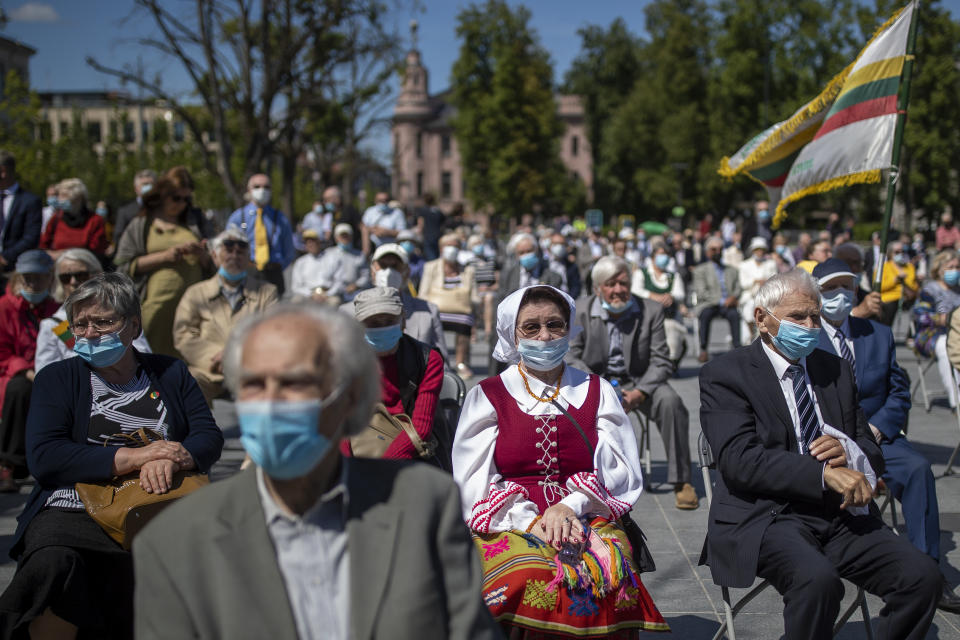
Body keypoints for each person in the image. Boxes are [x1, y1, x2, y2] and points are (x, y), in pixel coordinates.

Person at [133, 302, 499, 639]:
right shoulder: (175, 542)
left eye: (295, 383)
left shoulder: (425, 507)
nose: (272, 404)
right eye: (254, 385)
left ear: (351, 397)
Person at [699, 268, 941, 640]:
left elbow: (871, 450)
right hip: (766, 516)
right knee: (818, 581)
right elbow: (738, 461)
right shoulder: (726, 373)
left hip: (838, 513)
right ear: (763, 318)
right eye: (797, 316)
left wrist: (848, 452)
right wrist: (822, 474)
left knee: (922, 577)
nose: (810, 325)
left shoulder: (835, 369)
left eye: (815, 316)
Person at [0, 272, 223, 639]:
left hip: (161, 500)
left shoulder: (170, 371)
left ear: (133, 325)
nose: (89, 333)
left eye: (103, 322)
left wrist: (172, 457)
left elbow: (207, 436)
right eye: (80, 324)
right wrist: (137, 456)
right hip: (75, 505)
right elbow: (46, 457)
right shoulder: (58, 378)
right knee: (55, 563)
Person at [452, 284, 668, 637]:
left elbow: (620, 470)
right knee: (525, 575)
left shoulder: (596, 389)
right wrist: (526, 521)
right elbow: (472, 479)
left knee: (608, 571)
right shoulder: (489, 395)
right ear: (512, 333)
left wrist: (570, 506)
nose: (545, 335)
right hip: (509, 518)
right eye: (532, 327)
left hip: (586, 510)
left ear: (569, 329)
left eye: (555, 325)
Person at [812, 258, 960, 613]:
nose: (840, 295)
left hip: (878, 435)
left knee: (918, 469)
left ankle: (929, 572)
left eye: (847, 287)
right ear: (816, 294)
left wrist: (878, 428)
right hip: (830, 441)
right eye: (831, 288)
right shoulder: (808, 336)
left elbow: (898, 391)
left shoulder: (875, 333)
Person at [568, 256, 698, 510]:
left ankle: (681, 480)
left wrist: (640, 392)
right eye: (610, 284)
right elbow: (571, 356)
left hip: (639, 381)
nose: (618, 290)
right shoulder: (580, 310)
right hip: (595, 383)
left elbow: (661, 360)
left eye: (623, 283)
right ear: (597, 288)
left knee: (671, 402)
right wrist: (601, 388)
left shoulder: (651, 310)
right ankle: (579, 478)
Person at [173, 228, 279, 404]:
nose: (235, 255)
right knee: (187, 383)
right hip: (209, 368)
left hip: (252, 368)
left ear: (248, 258)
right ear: (214, 256)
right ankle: (201, 431)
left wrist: (233, 355)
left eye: (241, 251)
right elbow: (183, 334)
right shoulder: (195, 293)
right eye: (228, 250)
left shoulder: (266, 292)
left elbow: (272, 333)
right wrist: (215, 355)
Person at [115, 177, 211, 358]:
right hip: (157, 306)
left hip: (194, 307)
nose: (182, 204)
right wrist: (164, 257)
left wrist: (201, 254)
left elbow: (213, 264)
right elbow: (123, 266)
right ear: (163, 196)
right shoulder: (141, 225)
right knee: (152, 358)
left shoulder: (194, 222)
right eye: (176, 198)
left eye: (187, 199)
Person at [350, 287, 443, 459]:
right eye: (374, 323)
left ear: (403, 321)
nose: (382, 328)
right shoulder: (346, 358)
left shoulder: (427, 359)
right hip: (360, 442)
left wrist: (385, 468)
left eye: (389, 321)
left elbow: (421, 427)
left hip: (410, 444)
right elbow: (339, 424)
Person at [35, 249, 152, 373]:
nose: (73, 282)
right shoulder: (51, 325)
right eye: (65, 278)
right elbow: (45, 373)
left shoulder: (119, 313)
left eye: (81, 275)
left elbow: (142, 353)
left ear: (98, 275)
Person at [0, 250, 59, 492]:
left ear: (50, 278)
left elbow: (69, 344)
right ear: (17, 279)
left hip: (49, 371)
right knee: (20, 389)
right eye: (27, 278)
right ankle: (8, 464)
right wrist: (27, 371)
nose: (33, 283)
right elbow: (2, 351)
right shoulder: (5, 307)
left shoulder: (57, 311)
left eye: (39, 277)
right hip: (14, 374)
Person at [351, 242, 450, 364]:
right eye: (383, 265)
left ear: (407, 272)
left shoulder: (428, 310)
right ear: (372, 270)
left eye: (395, 266)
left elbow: (442, 361)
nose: (388, 271)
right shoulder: (348, 311)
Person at [226, 173, 295, 294]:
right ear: (249, 190)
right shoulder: (238, 217)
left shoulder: (280, 218)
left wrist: (275, 266)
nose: (262, 190)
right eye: (257, 186)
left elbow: (289, 251)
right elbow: (228, 248)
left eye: (266, 187)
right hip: (248, 271)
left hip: (273, 272)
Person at [420, 233, 476, 378]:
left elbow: (474, 296)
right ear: (441, 249)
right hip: (436, 308)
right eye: (448, 246)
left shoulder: (468, 270)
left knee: (465, 321)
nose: (451, 249)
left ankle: (460, 363)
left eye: (455, 246)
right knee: (431, 322)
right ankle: (435, 361)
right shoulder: (431, 267)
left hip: (461, 310)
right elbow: (423, 292)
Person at [911, 250, 960, 409]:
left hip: (956, 333)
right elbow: (920, 315)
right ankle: (956, 400)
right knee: (947, 346)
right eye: (950, 267)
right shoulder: (929, 290)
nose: (955, 270)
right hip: (931, 335)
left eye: (958, 267)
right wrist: (943, 319)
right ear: (939, 269)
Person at [633, 238, 688, 363]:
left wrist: (671, 296)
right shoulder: (642, 273)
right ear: (653, 257)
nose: (663, 257)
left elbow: (680, 293)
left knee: (673, 336)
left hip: (669, 316)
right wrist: (653, 296)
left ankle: (670, 361)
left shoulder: (673, 276)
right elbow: (636, 290)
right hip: (646, 315)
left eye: (665, 255)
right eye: (660, 254)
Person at [693, 237, 742, 363]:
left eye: (720, 249)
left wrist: (733, 298)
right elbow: (702, 292)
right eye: (714, 249)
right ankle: (703, 349)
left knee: (734, 315)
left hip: (728, 304)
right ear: (707, 252)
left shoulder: (731, 270)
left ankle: (737, 348)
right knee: (705, 315)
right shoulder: (700, 270)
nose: (717, 252)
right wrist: (721, 300)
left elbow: (737, 287)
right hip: (709, 304)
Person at [39, 178, 109, 261]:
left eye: (64, 196)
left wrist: (65, 255)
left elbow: (97, 251)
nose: (60, 199)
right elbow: (43, 246)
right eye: (59, 195)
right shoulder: (56, 219)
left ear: (78, 198)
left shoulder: (95, 220)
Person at [0, 152, 42, 280]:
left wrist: (4, 258)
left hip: (14, 271)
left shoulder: (30, 201)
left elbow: (31, 237)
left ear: (3, 171)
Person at [305, 223, 369, 305]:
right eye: (342, 236)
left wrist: (355, 285)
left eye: (347, 236)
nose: (344, 239)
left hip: (355, 291)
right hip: (334, 291)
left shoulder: (359, 255)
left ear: (351, 237)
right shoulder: (328, 253)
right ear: (336, 238)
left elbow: (365, 276)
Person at [738, 236, 778, 344]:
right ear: (753, 250)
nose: (759, 252)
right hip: (750, 295)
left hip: (766, 296)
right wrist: (755, 281)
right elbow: (743, 283)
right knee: (749, 308)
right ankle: (751, 333)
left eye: (761, 249)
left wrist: (765, 282)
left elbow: (775, 280)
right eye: (757, 249)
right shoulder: (744, 265)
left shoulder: (771, 263)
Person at [876, 240, 919, 326]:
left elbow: (914, 287)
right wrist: (895, 280)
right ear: (890, 253)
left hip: (906, 300)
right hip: (888, 300)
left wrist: (904, 281)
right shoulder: (883, 267)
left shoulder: (910, 267)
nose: (900, 254)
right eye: (897, 252)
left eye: (902, 251)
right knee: (889, 307)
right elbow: (879, 286)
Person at [112, 169, 157, 249]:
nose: (149, 188)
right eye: (145, 184)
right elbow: (118, 237)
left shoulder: (164, 208)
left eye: (151, 184)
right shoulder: (125, 211)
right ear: (136, 188)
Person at [288, 228, 326, 299]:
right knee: (296, 300)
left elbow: (337, 281)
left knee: (334, 301)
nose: (310, 245)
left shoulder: (330, 258)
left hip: (327, 294)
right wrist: (311, 294)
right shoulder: (300, 262)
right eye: (307, 242)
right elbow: (295, 287)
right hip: (308, 295)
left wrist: (328, 293)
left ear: (319, 242)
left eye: (313, 241)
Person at [416, 192, 446, 260]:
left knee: (430, 258)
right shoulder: (438, 210)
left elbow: (421, 224)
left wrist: (418, 235)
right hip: (438, 236)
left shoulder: (423, 210)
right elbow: (443, 224)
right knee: (438, 256)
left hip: (428, 236)